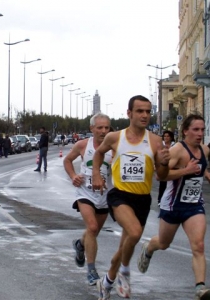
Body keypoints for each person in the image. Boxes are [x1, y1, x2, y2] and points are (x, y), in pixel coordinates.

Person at [91, 95, 170, 299]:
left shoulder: (155, 141)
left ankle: (106, 282)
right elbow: (98, 154)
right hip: (120, 196)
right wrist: (96, 175)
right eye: (140, 111)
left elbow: (161, 176)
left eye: (148, 111)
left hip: (142, 199)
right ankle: (124, 274)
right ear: (129, 113)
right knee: (134, 233)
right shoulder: (115, 137)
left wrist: (163, 162)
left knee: (124, 246)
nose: (145, 115)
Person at [137, 114, 210, 300]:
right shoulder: (177, 150)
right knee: (163, 244)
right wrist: (185, 171)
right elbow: (161, 176)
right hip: (173, 205)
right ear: (185, 131)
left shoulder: (205, 150)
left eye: (202, 130)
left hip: (194, 205)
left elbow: (200, 166)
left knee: (199, 245)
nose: (200, 134)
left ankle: (200, 287)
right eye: (196, 130)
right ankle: (149, 248)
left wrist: (206, 174)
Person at [63, 113, 113, 286]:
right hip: (85, 192)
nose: (103, 131)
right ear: (92, 128)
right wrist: (73, 176)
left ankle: (79, 244)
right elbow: (67, 160)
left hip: (105, 195)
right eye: (100, 127)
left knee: (93, 232)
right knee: (91, 227)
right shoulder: (83, 145)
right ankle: (91, 270)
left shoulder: (114, 148)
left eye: (107, 127)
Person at [157, 130, 175, 205]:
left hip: (172, 166)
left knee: (171, 184)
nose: (166, 137)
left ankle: (171, 199)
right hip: (163, 166)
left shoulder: (174, 145)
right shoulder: (161, 145)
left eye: (168, 136)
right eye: (165, 136)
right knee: (163, 183)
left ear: (171, 138)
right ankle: (160, 200)